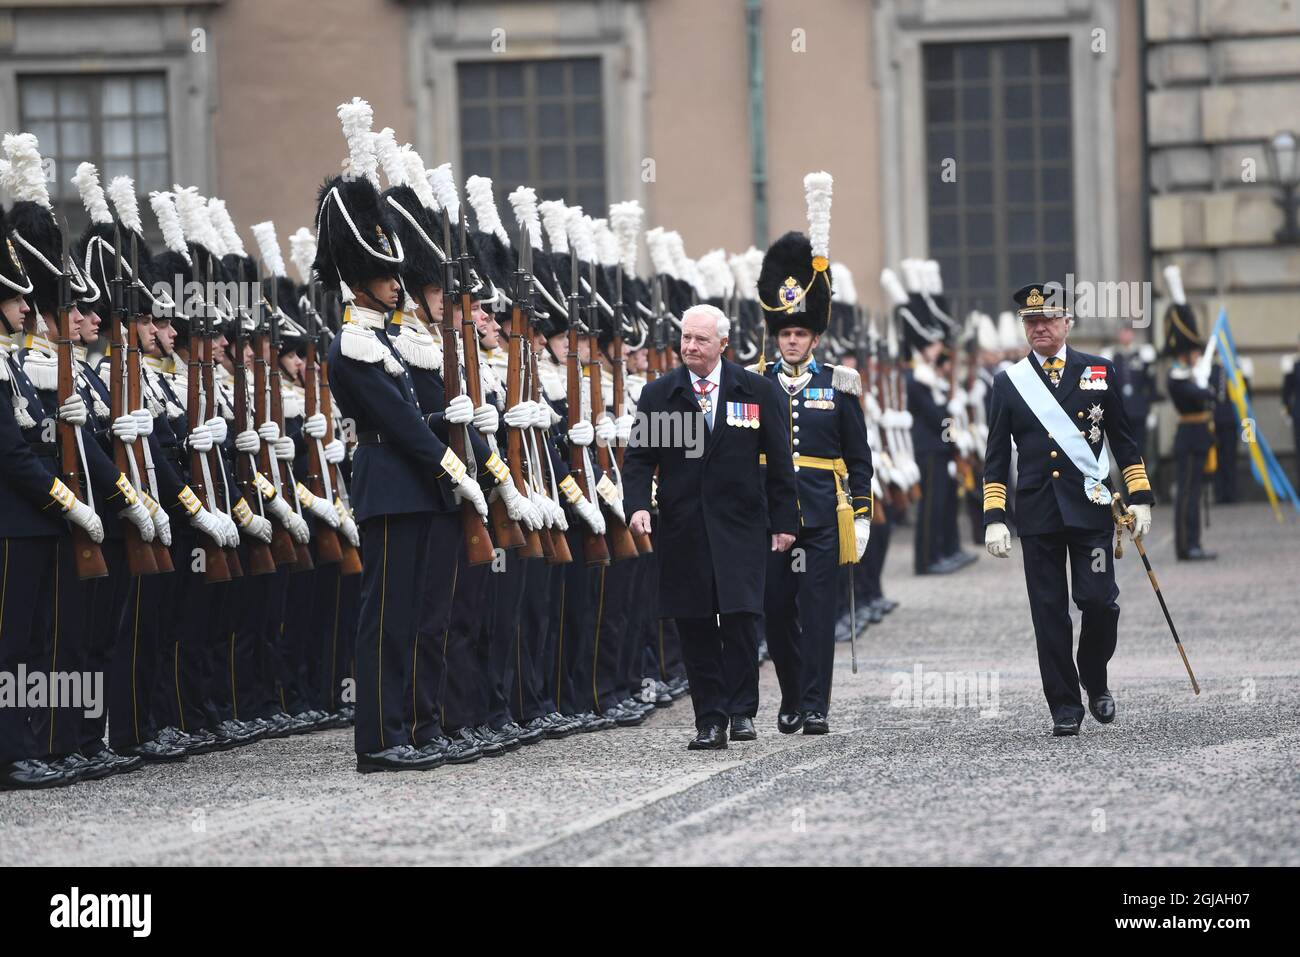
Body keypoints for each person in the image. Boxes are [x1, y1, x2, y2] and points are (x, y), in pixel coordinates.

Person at [983, 281, 1154, 737]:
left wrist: (1139, 497)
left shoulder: (1098, 371)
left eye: (1048, 319)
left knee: (1099, 602)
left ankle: (1093, 675)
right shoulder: (1008, 383)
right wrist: (995, 517)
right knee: (1048, 610)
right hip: (1038, 514)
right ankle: (1063, 704)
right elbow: (996, 456)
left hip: (1091, 508)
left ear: (1067, 322)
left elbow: (1123, 438)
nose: (1039, 327)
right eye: (1031, 321)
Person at [624, 304, 797, 750]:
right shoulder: (661, 395)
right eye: (685, 338)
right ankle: (710, 719)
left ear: (723, 344)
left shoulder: (754, 391)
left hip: (740, 527)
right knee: (695, 625)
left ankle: (742, 711)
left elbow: (780, 464)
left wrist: (785, 522)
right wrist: (638, 505)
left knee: (740, 619)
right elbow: (640, 460)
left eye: (701, 340)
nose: (690, 347)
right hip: (684, 530)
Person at [752, 174, 873, 738]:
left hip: (825, 513)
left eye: (801, 333)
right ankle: (791, 694)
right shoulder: (756, 384)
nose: (792, 341)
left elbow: (859, 454)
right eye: (785, 334)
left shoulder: (840, 384)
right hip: (774, 517)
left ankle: (815, 704)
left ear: (815, 337)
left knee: (819, 613)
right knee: (778, 610)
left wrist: (866, 512)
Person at [1161, 266, 1216, 561]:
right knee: (1187, 495)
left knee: (1194, 493)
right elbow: (1200, 397)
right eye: (1193, 351)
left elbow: (1213, 396)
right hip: (1189, 435)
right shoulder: (1178, 377)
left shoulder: (1190, 374)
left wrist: (1204, 379)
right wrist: (1202, 381)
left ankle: (1193, 542)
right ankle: (1186, 545)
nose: (1197, 354)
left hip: (1198, 436)